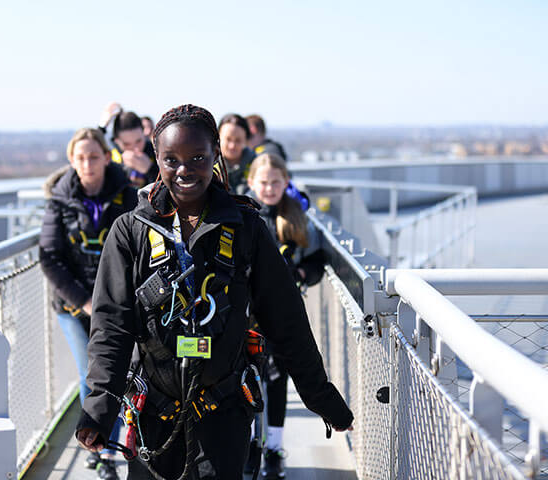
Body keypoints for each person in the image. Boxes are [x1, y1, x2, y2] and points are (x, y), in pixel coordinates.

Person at [75, 104, 353, 480]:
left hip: (223, 412)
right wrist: (99, 409)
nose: (184, 170)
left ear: (216, 157)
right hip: (153, 414)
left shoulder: (246, 229)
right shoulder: (130, 231)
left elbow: (286, 321)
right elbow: (112, 327)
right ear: (156, 159)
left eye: (198, 158)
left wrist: (323, 400)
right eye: (171, 160)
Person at [39, 127, 138, 480]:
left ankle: (112, 444)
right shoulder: (59, 200)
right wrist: (83, 301)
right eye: (80, 157)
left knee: (120, 372)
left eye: (94, 156)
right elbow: (49, 257)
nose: (87, 163)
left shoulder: (126, 194)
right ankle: (100, 452)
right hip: (73, 306)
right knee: (91, 374)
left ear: (106, 157)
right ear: (71, 160)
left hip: (116, 305)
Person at [245, 153, 327, 479]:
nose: (268, 188)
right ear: (251, 182)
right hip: (245, 315)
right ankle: (250, 443)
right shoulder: (239, 214)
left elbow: (318, 261)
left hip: (281, 316)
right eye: (263, 182)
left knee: (278, 381)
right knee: (248, 381)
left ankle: (274, 449)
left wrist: (302, 274)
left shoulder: (296, 218)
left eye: (275, 182)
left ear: (286, 183)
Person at [99, 102, 159, 188]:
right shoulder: (110, 157)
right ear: (117, 141)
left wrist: (151, 170)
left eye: (138, 141)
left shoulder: (156, 152)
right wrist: (102, 127)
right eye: (127, 144)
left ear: (143, 134)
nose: (135, 148)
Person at [218, 113, 256, 194]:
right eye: (228, 139)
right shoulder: (207, 165)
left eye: (238, 140)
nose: (232, 146)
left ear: (246, 141)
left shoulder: (257, 166)